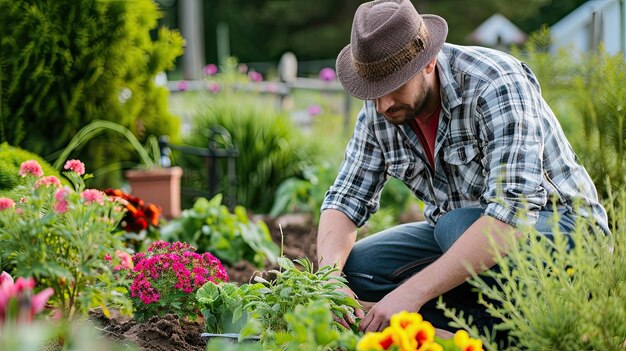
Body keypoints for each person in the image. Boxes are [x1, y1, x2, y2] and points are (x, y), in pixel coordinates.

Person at [317, 0, 611, 338]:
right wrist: (329, 282)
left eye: (394, 87)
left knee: (453, 226)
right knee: (359, 268)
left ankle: (534, 333)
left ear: (428, 62)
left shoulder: (494, 83)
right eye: (374, 93)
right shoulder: (380, 111)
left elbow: (511, 215)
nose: (383, 105)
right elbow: (344, 200)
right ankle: (471, 330)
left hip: (562, 234)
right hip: (464, 241)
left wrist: (413, 291)